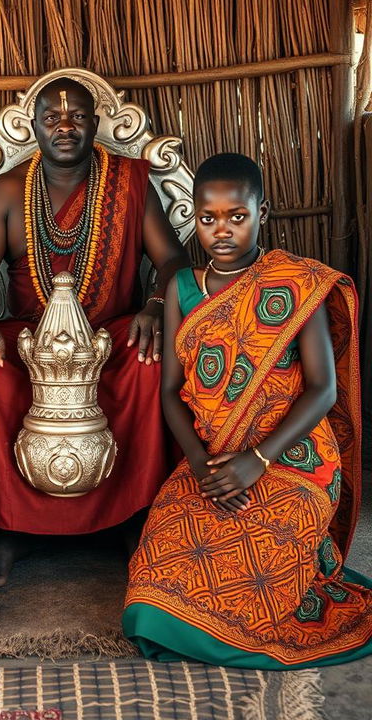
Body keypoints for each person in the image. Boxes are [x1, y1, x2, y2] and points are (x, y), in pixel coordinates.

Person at [124, 152, 372, 667]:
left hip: (295, 459)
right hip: (212, 459)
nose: (221, 230)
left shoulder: (295, 284)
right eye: (207, 218)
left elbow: (322, 390)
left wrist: (256, 460)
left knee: (260, 563)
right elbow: (171, 389)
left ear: (264, 213)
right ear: (193, 218)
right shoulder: (180, 288)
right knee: (151, 584)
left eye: (237, 216)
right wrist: (196, 461)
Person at [0, 77, 189, 587]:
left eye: (77, 117)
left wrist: (155, 304)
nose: (64, 126)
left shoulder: (131, 181)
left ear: (95, 124)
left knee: (151, 364)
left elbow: (172, 261)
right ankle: (5, 526)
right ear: (33, 126)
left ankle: (133, 517)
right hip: (29, 337)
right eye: (52, 118)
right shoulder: (8, 190)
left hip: (113, 335)